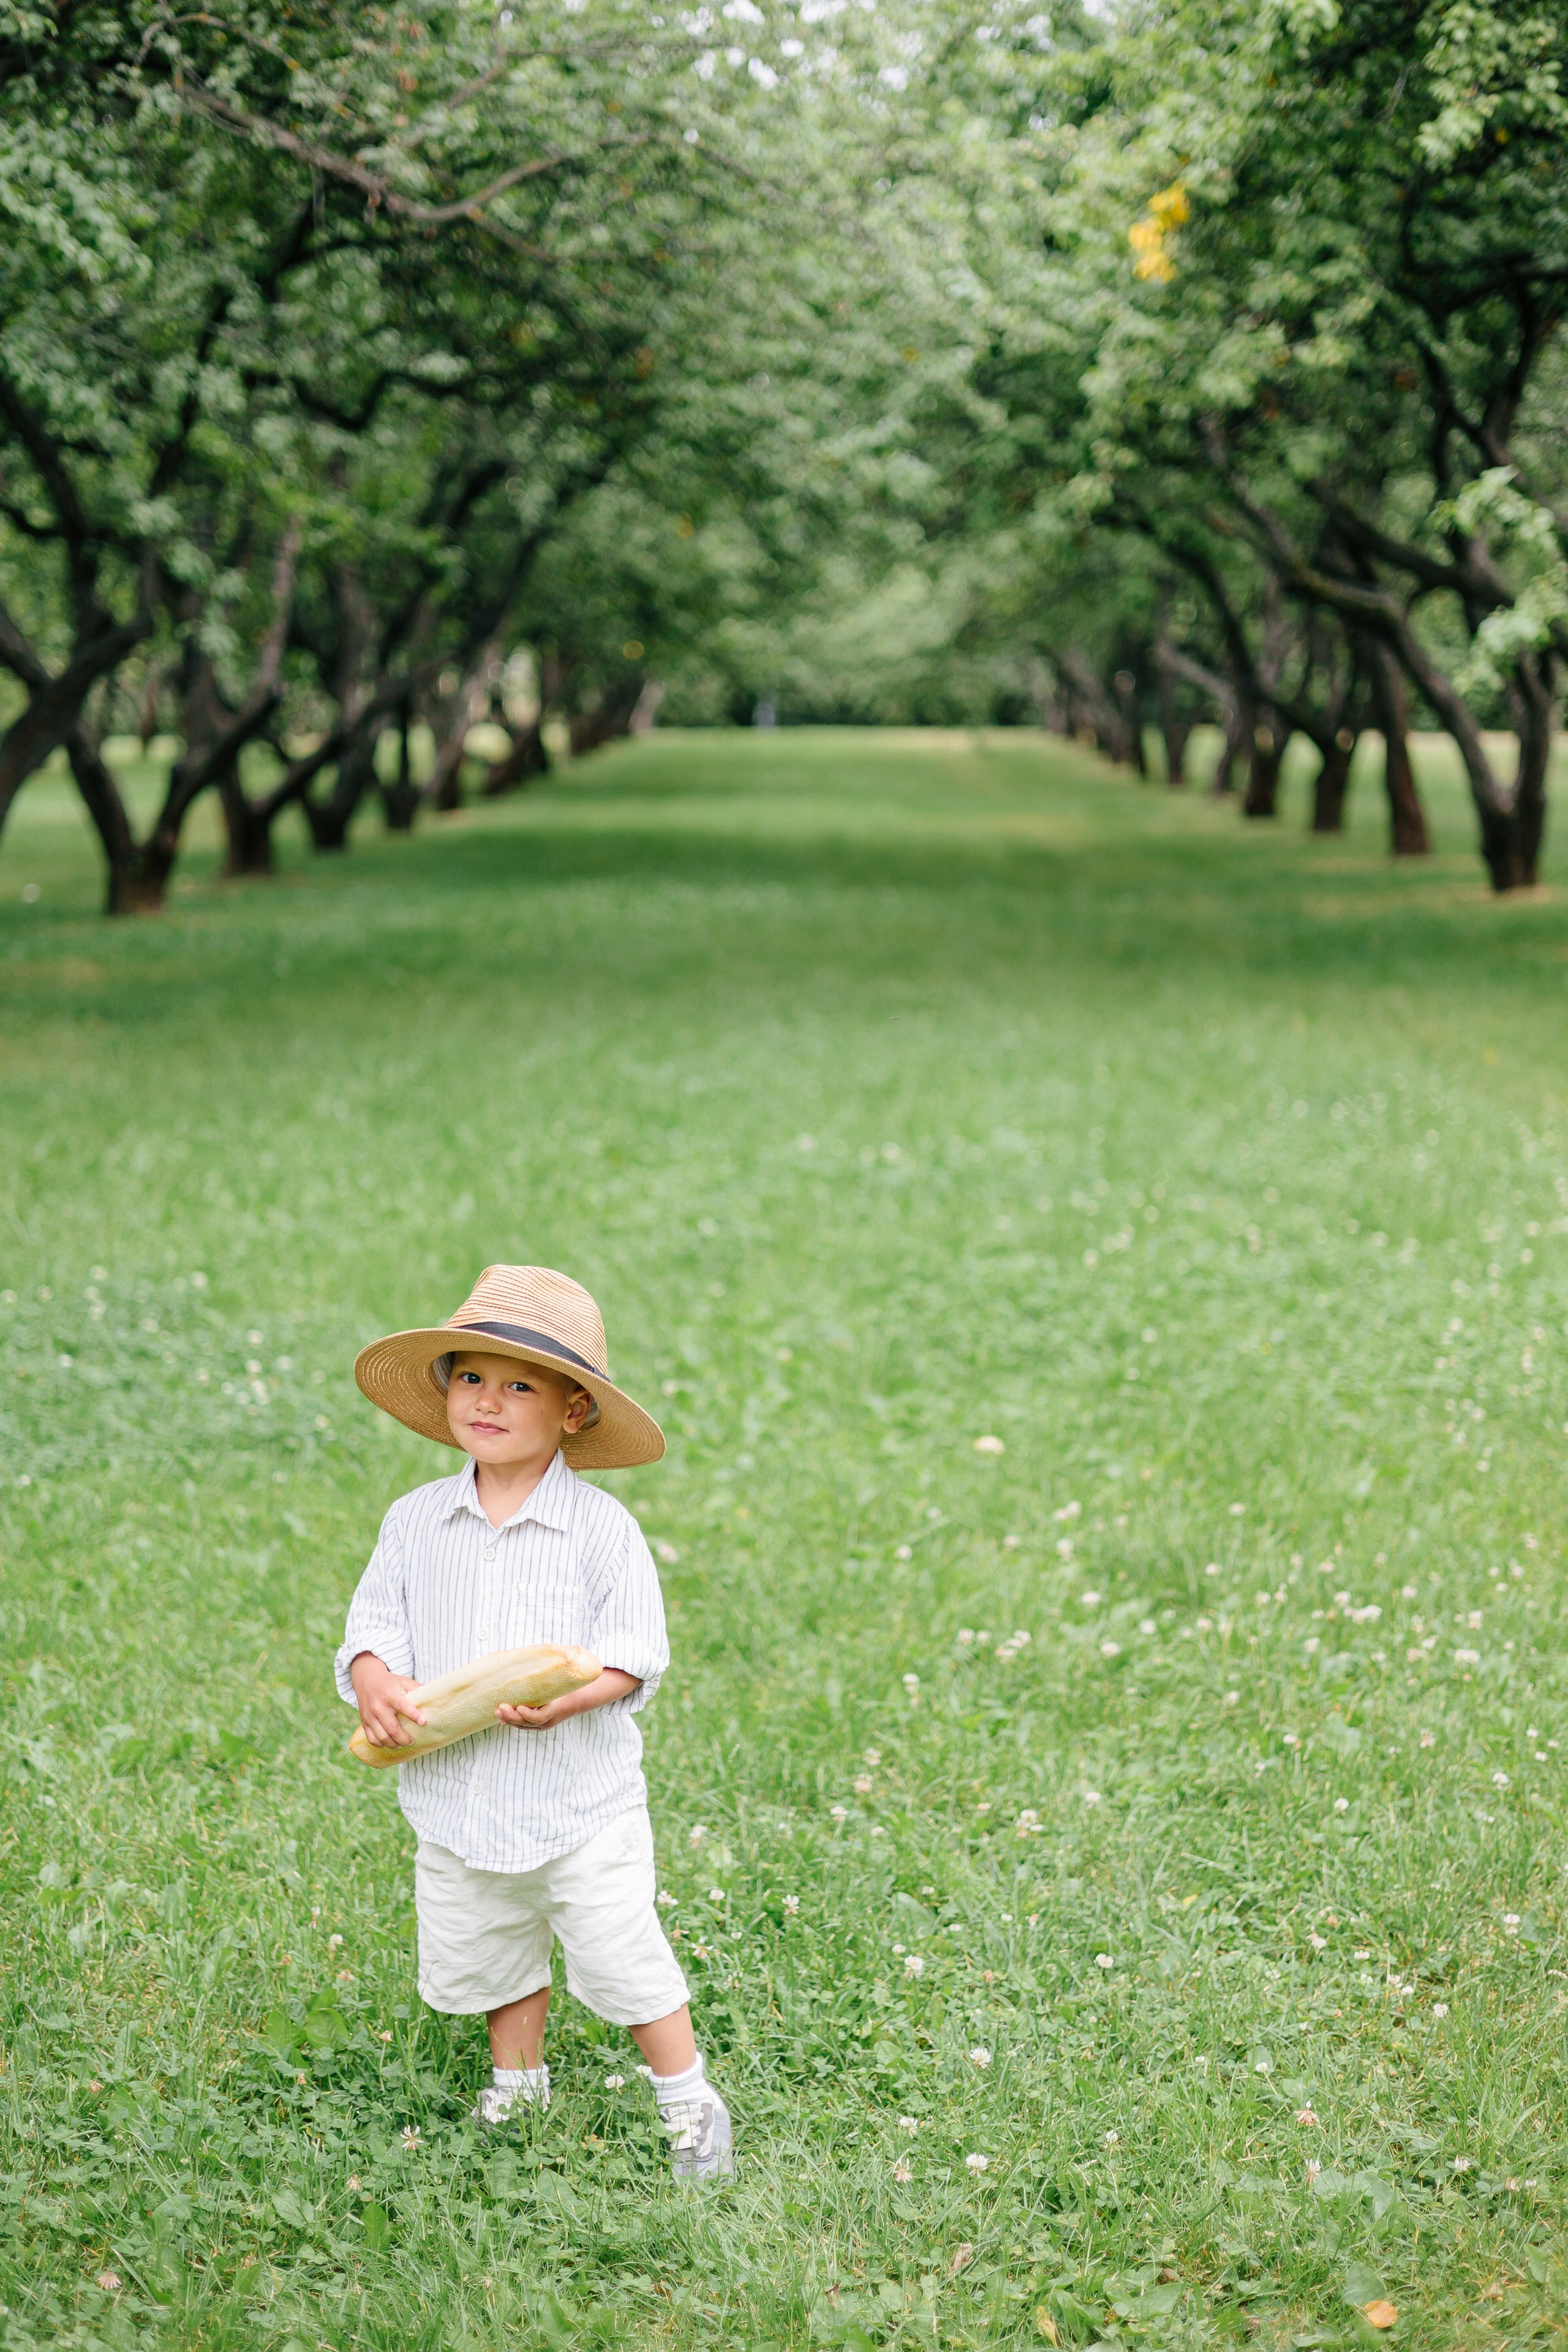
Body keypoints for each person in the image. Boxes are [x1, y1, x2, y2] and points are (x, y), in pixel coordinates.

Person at [336, 1263, 733, 2180]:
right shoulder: (415, 1521)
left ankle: (687, 2098)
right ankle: (518, 2085)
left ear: (573, 1413)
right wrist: (374, 1681)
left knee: (618, 1945)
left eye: (520, 1385)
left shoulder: (602, 1531)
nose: (488, 1399)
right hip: (460, 1798)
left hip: (576, 1802)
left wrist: (569, 1700)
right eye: (471, 1377)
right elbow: (374, 1625)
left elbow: (635, 1652)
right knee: (493, 1942)